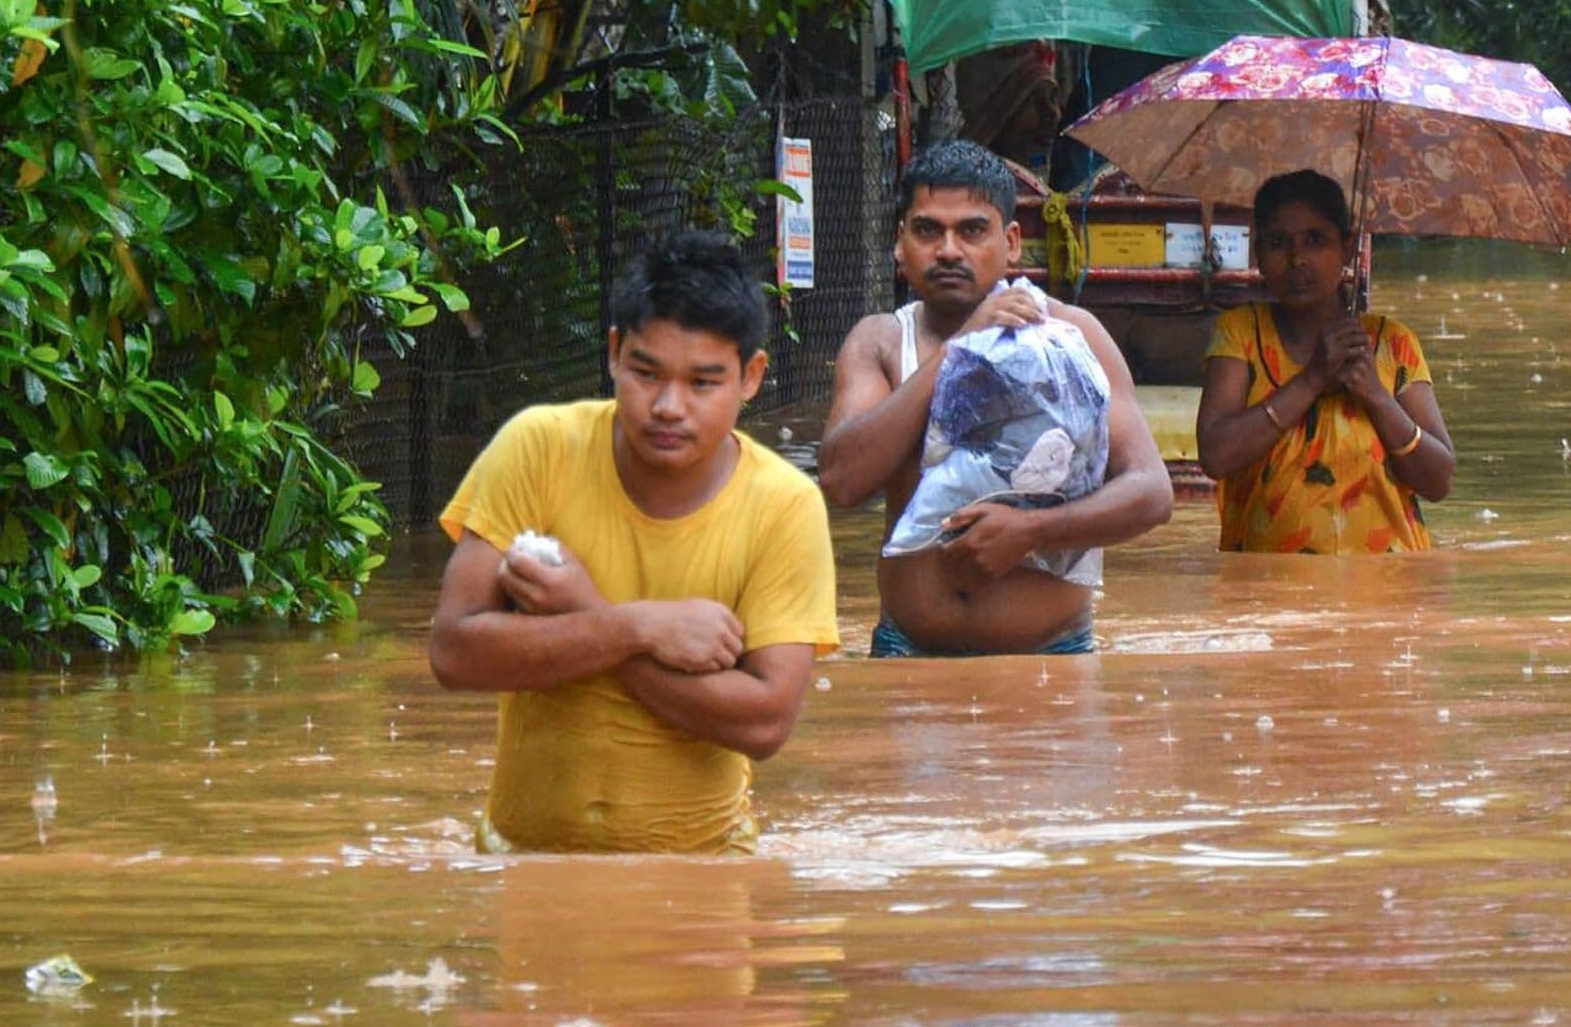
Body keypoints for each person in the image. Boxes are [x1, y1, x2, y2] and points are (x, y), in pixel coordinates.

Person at [428, 230, 840, 855]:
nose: (669, 407)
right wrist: (637, 628)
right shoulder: (537, 446)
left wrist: (586, 611)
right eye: (647, 374)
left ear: (751, 377)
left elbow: (765, 721)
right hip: (520, 860)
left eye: (703, 383)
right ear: (615, 354)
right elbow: (454, 654)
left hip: (706, 871)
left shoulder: (784, 505)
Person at [818, 139, 1173, 656]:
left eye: (971, 230)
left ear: (1010, 242)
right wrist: (959, 351)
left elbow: (1152, 493)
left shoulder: (1075, 336)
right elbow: (841, 482)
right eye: (927, 230)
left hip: (1055, 654)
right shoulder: (880, 342)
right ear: (900, 244)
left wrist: (1031, 531)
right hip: (910, 651)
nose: (948, 250)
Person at [1195, 169, 1455, 553]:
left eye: (1315, 240)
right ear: (1259, 255)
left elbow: (1439, 482)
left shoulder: (1392, 343)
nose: (1298, 259)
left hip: (1389, 592)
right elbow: (1216, 456)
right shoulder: (1241, 335)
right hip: (1268, 595)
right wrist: (1312, 379)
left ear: (1347, 249)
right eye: (1279, 242)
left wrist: (1376, 396)